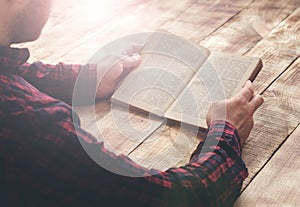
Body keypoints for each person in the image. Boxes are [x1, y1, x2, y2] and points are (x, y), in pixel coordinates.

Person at [0, 0, 264, 206]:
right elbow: (178, 200)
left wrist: (85, 78)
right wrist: (226, 130)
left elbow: (15, 72)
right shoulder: (29, 123)